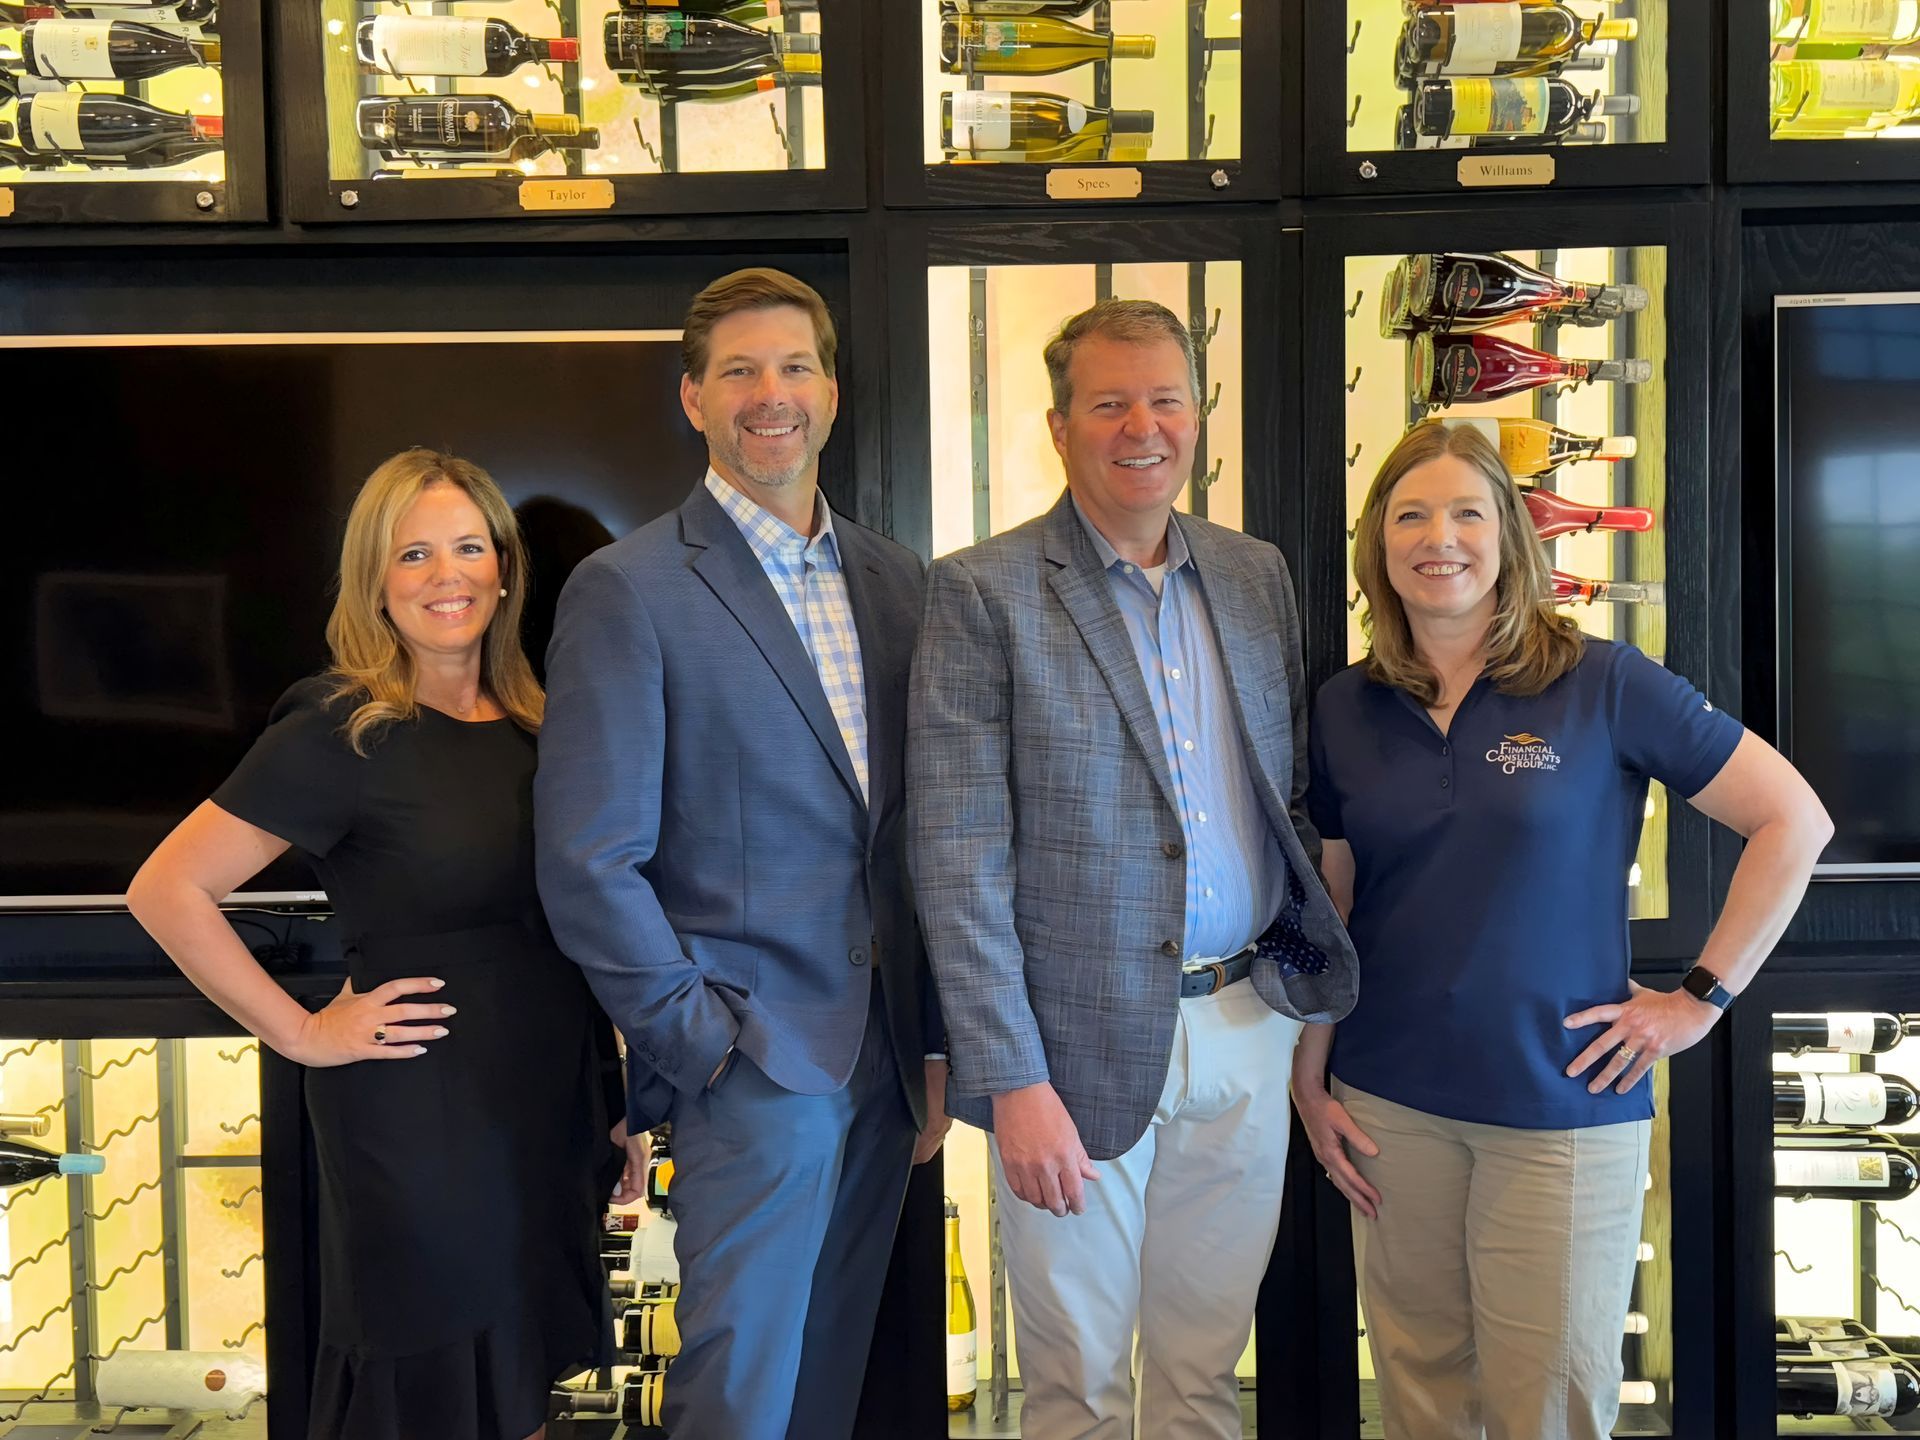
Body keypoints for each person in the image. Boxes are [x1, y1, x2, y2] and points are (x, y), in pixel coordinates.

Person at [1293, 420, 1833, 1440]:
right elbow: (1338, 903)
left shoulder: (1601, 679)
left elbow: (1793, 819)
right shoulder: (1342, 708)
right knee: (1418, 1396)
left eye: (1467, 512)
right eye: (1410, 515)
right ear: (1379, 546)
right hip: (1389, 1105)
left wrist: (1699, 1001)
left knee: (1548, 1407)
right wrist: (1309, 1077)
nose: (1437, 537)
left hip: (1563, 1107)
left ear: (1510, 536)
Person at [908, 297, 1358, 1440]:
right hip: (1069, 1051)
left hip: (1248, 1020)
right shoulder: (981, 592)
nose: (1141, 426)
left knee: (1207, 1372)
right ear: (1058, 429)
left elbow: (1287, 801)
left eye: (1165, 398)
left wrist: (1303, 1017)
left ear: (1198, 414)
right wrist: (1008, 1080)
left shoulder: (1255, 577)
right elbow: (958, 858)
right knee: (1077, 1382)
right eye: (1108, 403)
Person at [127, 448, 634, 1440]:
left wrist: (620, 1097)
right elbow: (167, 889)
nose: (448, 576)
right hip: (419, 1113)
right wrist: (304, 1032)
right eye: (414, 554)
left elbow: (581, 926)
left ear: (502, 567)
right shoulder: (344, 728)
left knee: (522, 1381)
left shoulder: (542, 720)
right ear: (377, 582)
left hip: (547, 1099)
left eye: (467, 548)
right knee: (434, 1388)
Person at [535, 267, 949, 1440]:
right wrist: (701, 1045)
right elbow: (587, 860)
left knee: (825, 1374)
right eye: (741, 371)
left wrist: (931, 1040)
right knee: (743, 1386)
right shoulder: (630, 590)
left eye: (796, 366)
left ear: (832, 387)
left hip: (886, 1062)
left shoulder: (897, 579)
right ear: (693, 399)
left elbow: (915, 830)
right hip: (753, 1063)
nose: (773, 394)